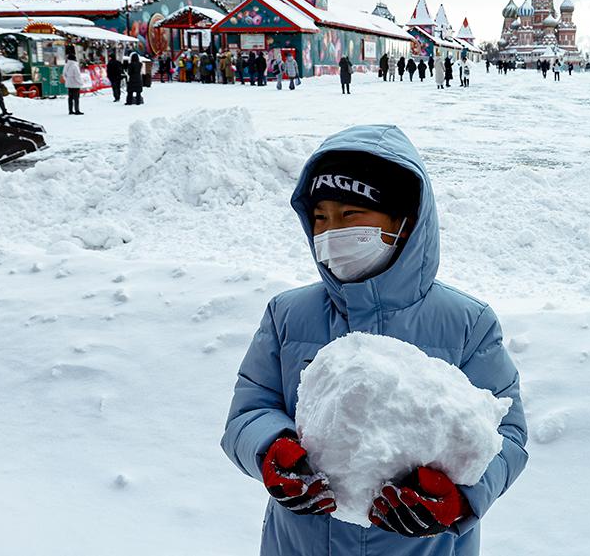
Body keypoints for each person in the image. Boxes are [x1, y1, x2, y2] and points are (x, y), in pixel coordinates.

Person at [220, 126, 528, 554]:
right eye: (321, 218)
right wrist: (270, 449)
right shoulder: (287, 315)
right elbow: (248, 411)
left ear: (403, 223)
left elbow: (506, 435)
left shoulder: (465, 323)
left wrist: (460, 500)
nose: (329, 233)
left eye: (349, 216)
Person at [63, 46, 84, 115]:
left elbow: (64, 74)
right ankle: (77, 110)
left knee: (70, 98)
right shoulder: (75, 66)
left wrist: (67, 80)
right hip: (75, 84)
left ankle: (70, 110)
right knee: (76, 98)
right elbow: (77, 76)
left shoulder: (66, 65)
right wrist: (81, 83)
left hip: (69, 84)